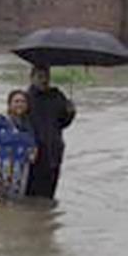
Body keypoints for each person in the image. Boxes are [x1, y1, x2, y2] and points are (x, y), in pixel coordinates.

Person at [25, 64, 76, 199]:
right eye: (40, 77)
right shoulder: (25, 98)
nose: (44, 80)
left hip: (53, 152)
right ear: (31, 78)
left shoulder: (57, 96)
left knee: (48, 197)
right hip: (33, 155)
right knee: (29, 197)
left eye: (47, 77)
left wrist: (70, 113)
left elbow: (63, 123)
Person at [0, 90, 38, 201]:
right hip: (0, 169)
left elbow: (33, 143)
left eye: (23, 102)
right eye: (16, 101)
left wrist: (33, 154)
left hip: (20, 170)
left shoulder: (28, 124)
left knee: (16, 204)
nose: (20, 104)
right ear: (9, 104)